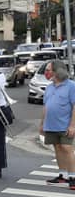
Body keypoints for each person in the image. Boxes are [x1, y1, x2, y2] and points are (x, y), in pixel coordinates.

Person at [40, 60, 75, 189]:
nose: (46, 72)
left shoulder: (71, 86)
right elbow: (46, 106)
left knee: (67, 148)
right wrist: (42, 123)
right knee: (58, 148)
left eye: (49, 70)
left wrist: (72, 125)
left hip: (65, 124)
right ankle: (63, 175)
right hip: (51, 124)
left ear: (57, 71)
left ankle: (73, 176)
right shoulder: (49, 87)